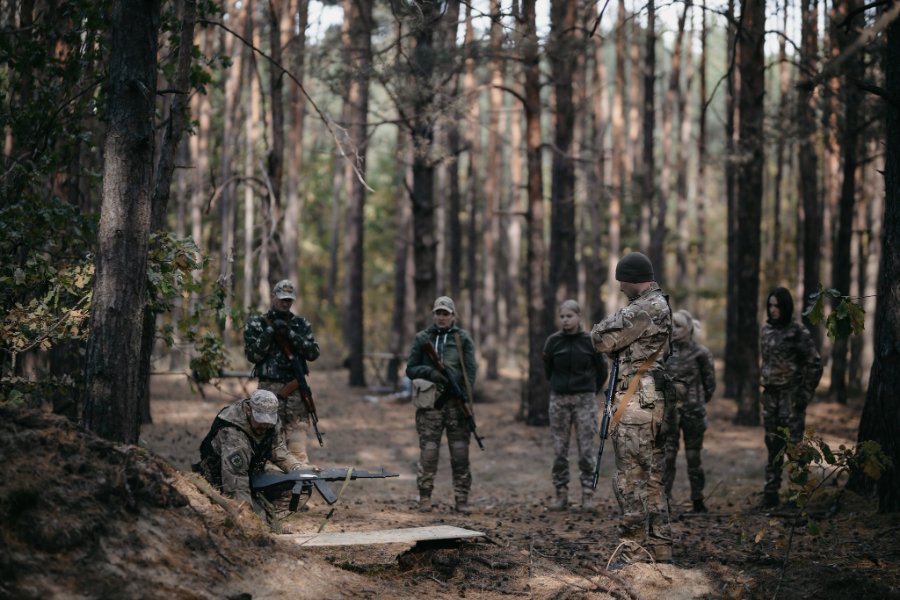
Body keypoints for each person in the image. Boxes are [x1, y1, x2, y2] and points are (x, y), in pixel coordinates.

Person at [590, 252, 673, 563]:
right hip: (651, 400)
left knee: (631, 479)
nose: (620, 288)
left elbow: (599, 338)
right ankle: (661, 550)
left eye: (621, 281)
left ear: (631, 278)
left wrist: (608, 328)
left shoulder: (644, 308)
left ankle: (633, 554)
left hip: (636, 403)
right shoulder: (658, 304)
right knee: (652, 481)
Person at [406, 296, 477, 514]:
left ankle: (462, 498)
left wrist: (464, 399)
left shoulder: (462, 339)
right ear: (433, 315)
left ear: (453, 316)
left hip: (456, 405)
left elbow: (470, 374)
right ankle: (425, 497)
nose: (441, 317)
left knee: (460, 453)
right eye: (438, 313)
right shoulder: (423, 338)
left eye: (445, 313)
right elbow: (410, 369)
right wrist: (430, 372)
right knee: (429, 453)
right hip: (430, 406)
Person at [243, 279, 320, 466]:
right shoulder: (257, 323)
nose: (285, 303)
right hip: (268, 392)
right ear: (273, 297)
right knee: (267, 445)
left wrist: (291, 335)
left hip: (295, 392)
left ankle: (300, 480)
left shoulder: (300, 324)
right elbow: (253, 355)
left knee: (297, 448)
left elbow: (313, 353)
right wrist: (270, 331)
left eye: (289, 300)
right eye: (282, 299)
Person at [195, 390, 305, 516]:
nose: (265, 426)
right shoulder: (234, 434)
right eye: (261, 421)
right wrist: (247, 516)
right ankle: (259, 520)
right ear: (249, 410)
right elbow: (236, 482)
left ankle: (269, 520)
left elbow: (276, 448)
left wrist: (298, 469)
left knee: (297, 486)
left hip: (252, 472)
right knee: (250, 516)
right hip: (222, 482)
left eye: (268, 422)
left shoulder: (270, 423)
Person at [760, 287, 823, 508]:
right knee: (772, 444)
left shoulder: (798, 332)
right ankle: (770, 494)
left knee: (793, 447)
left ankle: (797, 497)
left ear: (786, 307)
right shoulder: (766, 330)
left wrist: (804, 393)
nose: (773, 310)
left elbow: (814, 363)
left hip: (790, 397)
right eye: (770, 305)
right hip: (770, 396)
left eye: (777, 306)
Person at [543, 299, 608, 512]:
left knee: (586, 450)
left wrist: (590, 390)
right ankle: (561, 494)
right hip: (559, 400)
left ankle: (588, 494)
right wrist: (559, 386)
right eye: (562, 316)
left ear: (579, 317)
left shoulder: (591, 341)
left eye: (569, 316)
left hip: (584, 400)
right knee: (560, 450)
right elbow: (548, 369)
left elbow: (602, 370)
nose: (565, 320)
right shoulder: (553, 342)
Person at [662, 309, 716, 513]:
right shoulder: (665, 351)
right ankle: (664, 500)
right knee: (667, 456)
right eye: (672, 326)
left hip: (693, 412)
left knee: (693, 456)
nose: (674, 330)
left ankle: (697, 499)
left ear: (689, 328)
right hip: (669, 413)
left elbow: (710, 383)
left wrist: (698, 401)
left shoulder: (701, 353)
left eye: (679, 326)